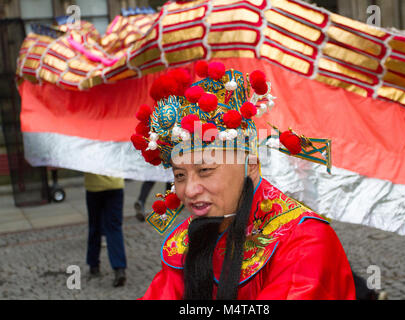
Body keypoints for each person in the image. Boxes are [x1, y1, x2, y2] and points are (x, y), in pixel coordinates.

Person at [132, 61, 355, 299]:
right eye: (180, 176)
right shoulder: (188, 239)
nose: (190, 190)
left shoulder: (304, 240)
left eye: (205, 170)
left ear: (250, 166)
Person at [84, 172, 127, 287]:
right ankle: (119, 268)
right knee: (114, 228)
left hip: (94, 186)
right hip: (115, 184)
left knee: (95, 225)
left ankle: (94, 265)